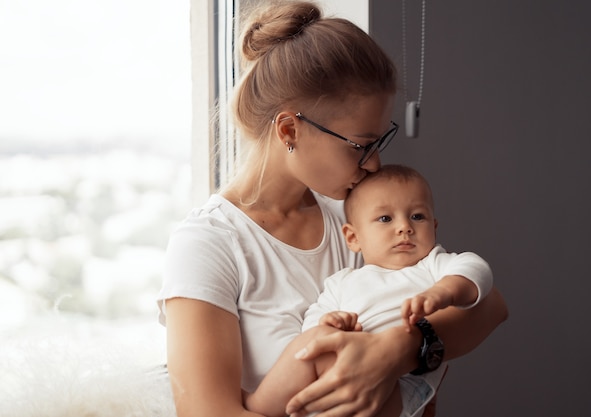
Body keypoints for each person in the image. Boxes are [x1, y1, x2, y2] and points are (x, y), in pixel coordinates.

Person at [157, 2, 508, 417]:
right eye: (361, 145)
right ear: (289, 130)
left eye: (381, 142)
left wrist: (397, 350)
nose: (375, 164)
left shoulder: (353, 216)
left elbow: (490, 306)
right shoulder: (209, 245)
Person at [243, 165, 493, 417]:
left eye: (418, 216)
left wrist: (443, 292)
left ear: (435, 227)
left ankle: (260, 405)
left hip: (403, 384)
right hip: (348, 371)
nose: (404, 227)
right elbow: (314, 321)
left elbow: (476, 268)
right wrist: (331, 322)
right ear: (353, 238)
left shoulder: (432, 266)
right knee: (312, 342)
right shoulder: (342, 282)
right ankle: (260, 406)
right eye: (386, 218)